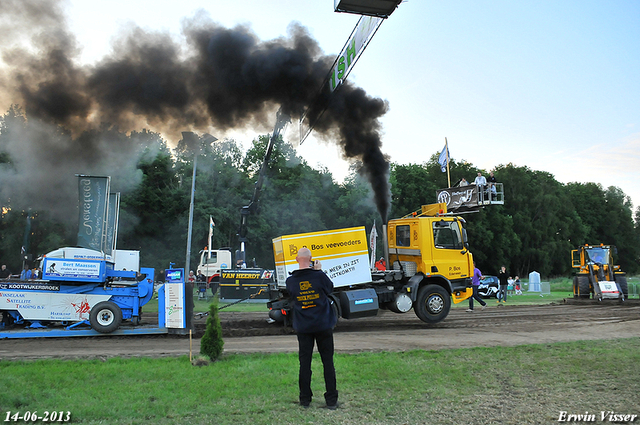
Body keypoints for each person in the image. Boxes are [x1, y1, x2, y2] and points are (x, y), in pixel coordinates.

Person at [285, 247, 338, 410]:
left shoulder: (291, 281)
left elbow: (292, 296)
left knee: (305, 363)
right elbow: (330, 288)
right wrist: (319, 271)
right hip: (323, 325)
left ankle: (305, 399)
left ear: (296, 259)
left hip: (304, 327)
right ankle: (331, 401)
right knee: (327, 362)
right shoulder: (320, 276)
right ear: (312, 259)